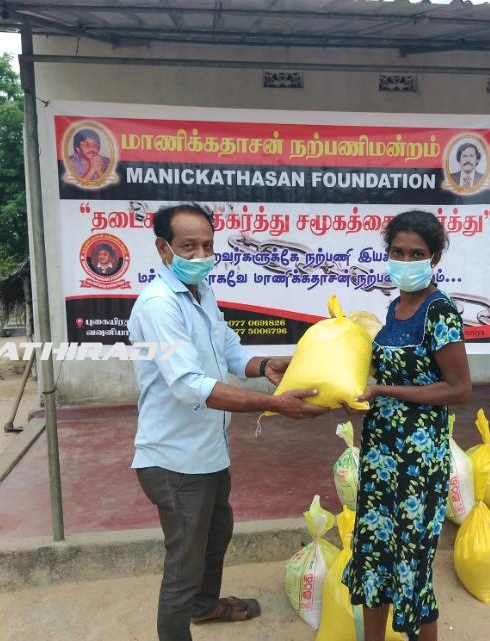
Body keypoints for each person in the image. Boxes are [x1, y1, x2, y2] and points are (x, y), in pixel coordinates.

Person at [128, 203, 328, 641]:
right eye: (188, 246)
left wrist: (265, 366)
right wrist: (274, 405)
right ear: (163, 248)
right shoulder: (160, 306)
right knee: (184, 566)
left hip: (207, 450)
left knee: (216, 534)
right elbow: (189, 385)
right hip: (174, 460)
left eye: (207, 246)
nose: (201, 256)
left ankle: (204, 607)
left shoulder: (202, 292)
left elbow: (228, 349)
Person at [342, 209, 473, 641]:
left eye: (416, 253)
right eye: (397, 251)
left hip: (418, 461)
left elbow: (459, 389)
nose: (405, 260)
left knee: (411, 565)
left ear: (434, 257)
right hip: (381, 454)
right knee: (374, 554)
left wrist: (385, 390)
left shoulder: (440, 311)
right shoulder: (395, 308)